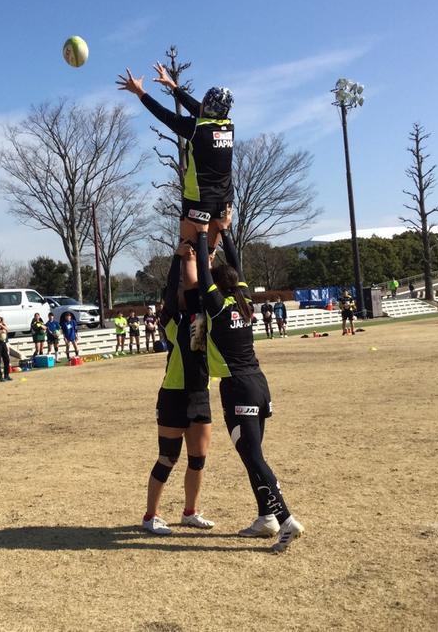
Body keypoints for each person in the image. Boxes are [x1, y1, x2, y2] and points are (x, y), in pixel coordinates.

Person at [194, 222, 304, 552]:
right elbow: (235, 268)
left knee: (254, 458)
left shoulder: (218, 306)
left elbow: (203, 273)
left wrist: (202, 234)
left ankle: (285, 519)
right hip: (259, 383)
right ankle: (266, 517)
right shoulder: (244, 303)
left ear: (218, 286)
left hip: (238, 388)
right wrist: (225, 233)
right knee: (252, 456)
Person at [117, 64, 234, 251]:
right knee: (211, 252)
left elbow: (165, 115)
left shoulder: (196, 129)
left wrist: (140, 92)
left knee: (189, 252)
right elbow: (197, 108)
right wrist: (172, 86)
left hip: (200, 199)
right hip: (224, 200)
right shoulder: (228, 126)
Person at [142, 241, 215, 535]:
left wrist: (205, 257)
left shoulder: (204, 316)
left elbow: (204, 286)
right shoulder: (171, 319)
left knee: (198, 459)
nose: (187, 291)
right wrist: (177, 257)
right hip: (173, 395)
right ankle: (151, 516)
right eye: (182, 290)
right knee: (168, 458)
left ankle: (190, 512)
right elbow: (175, 286)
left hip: (200, 394)